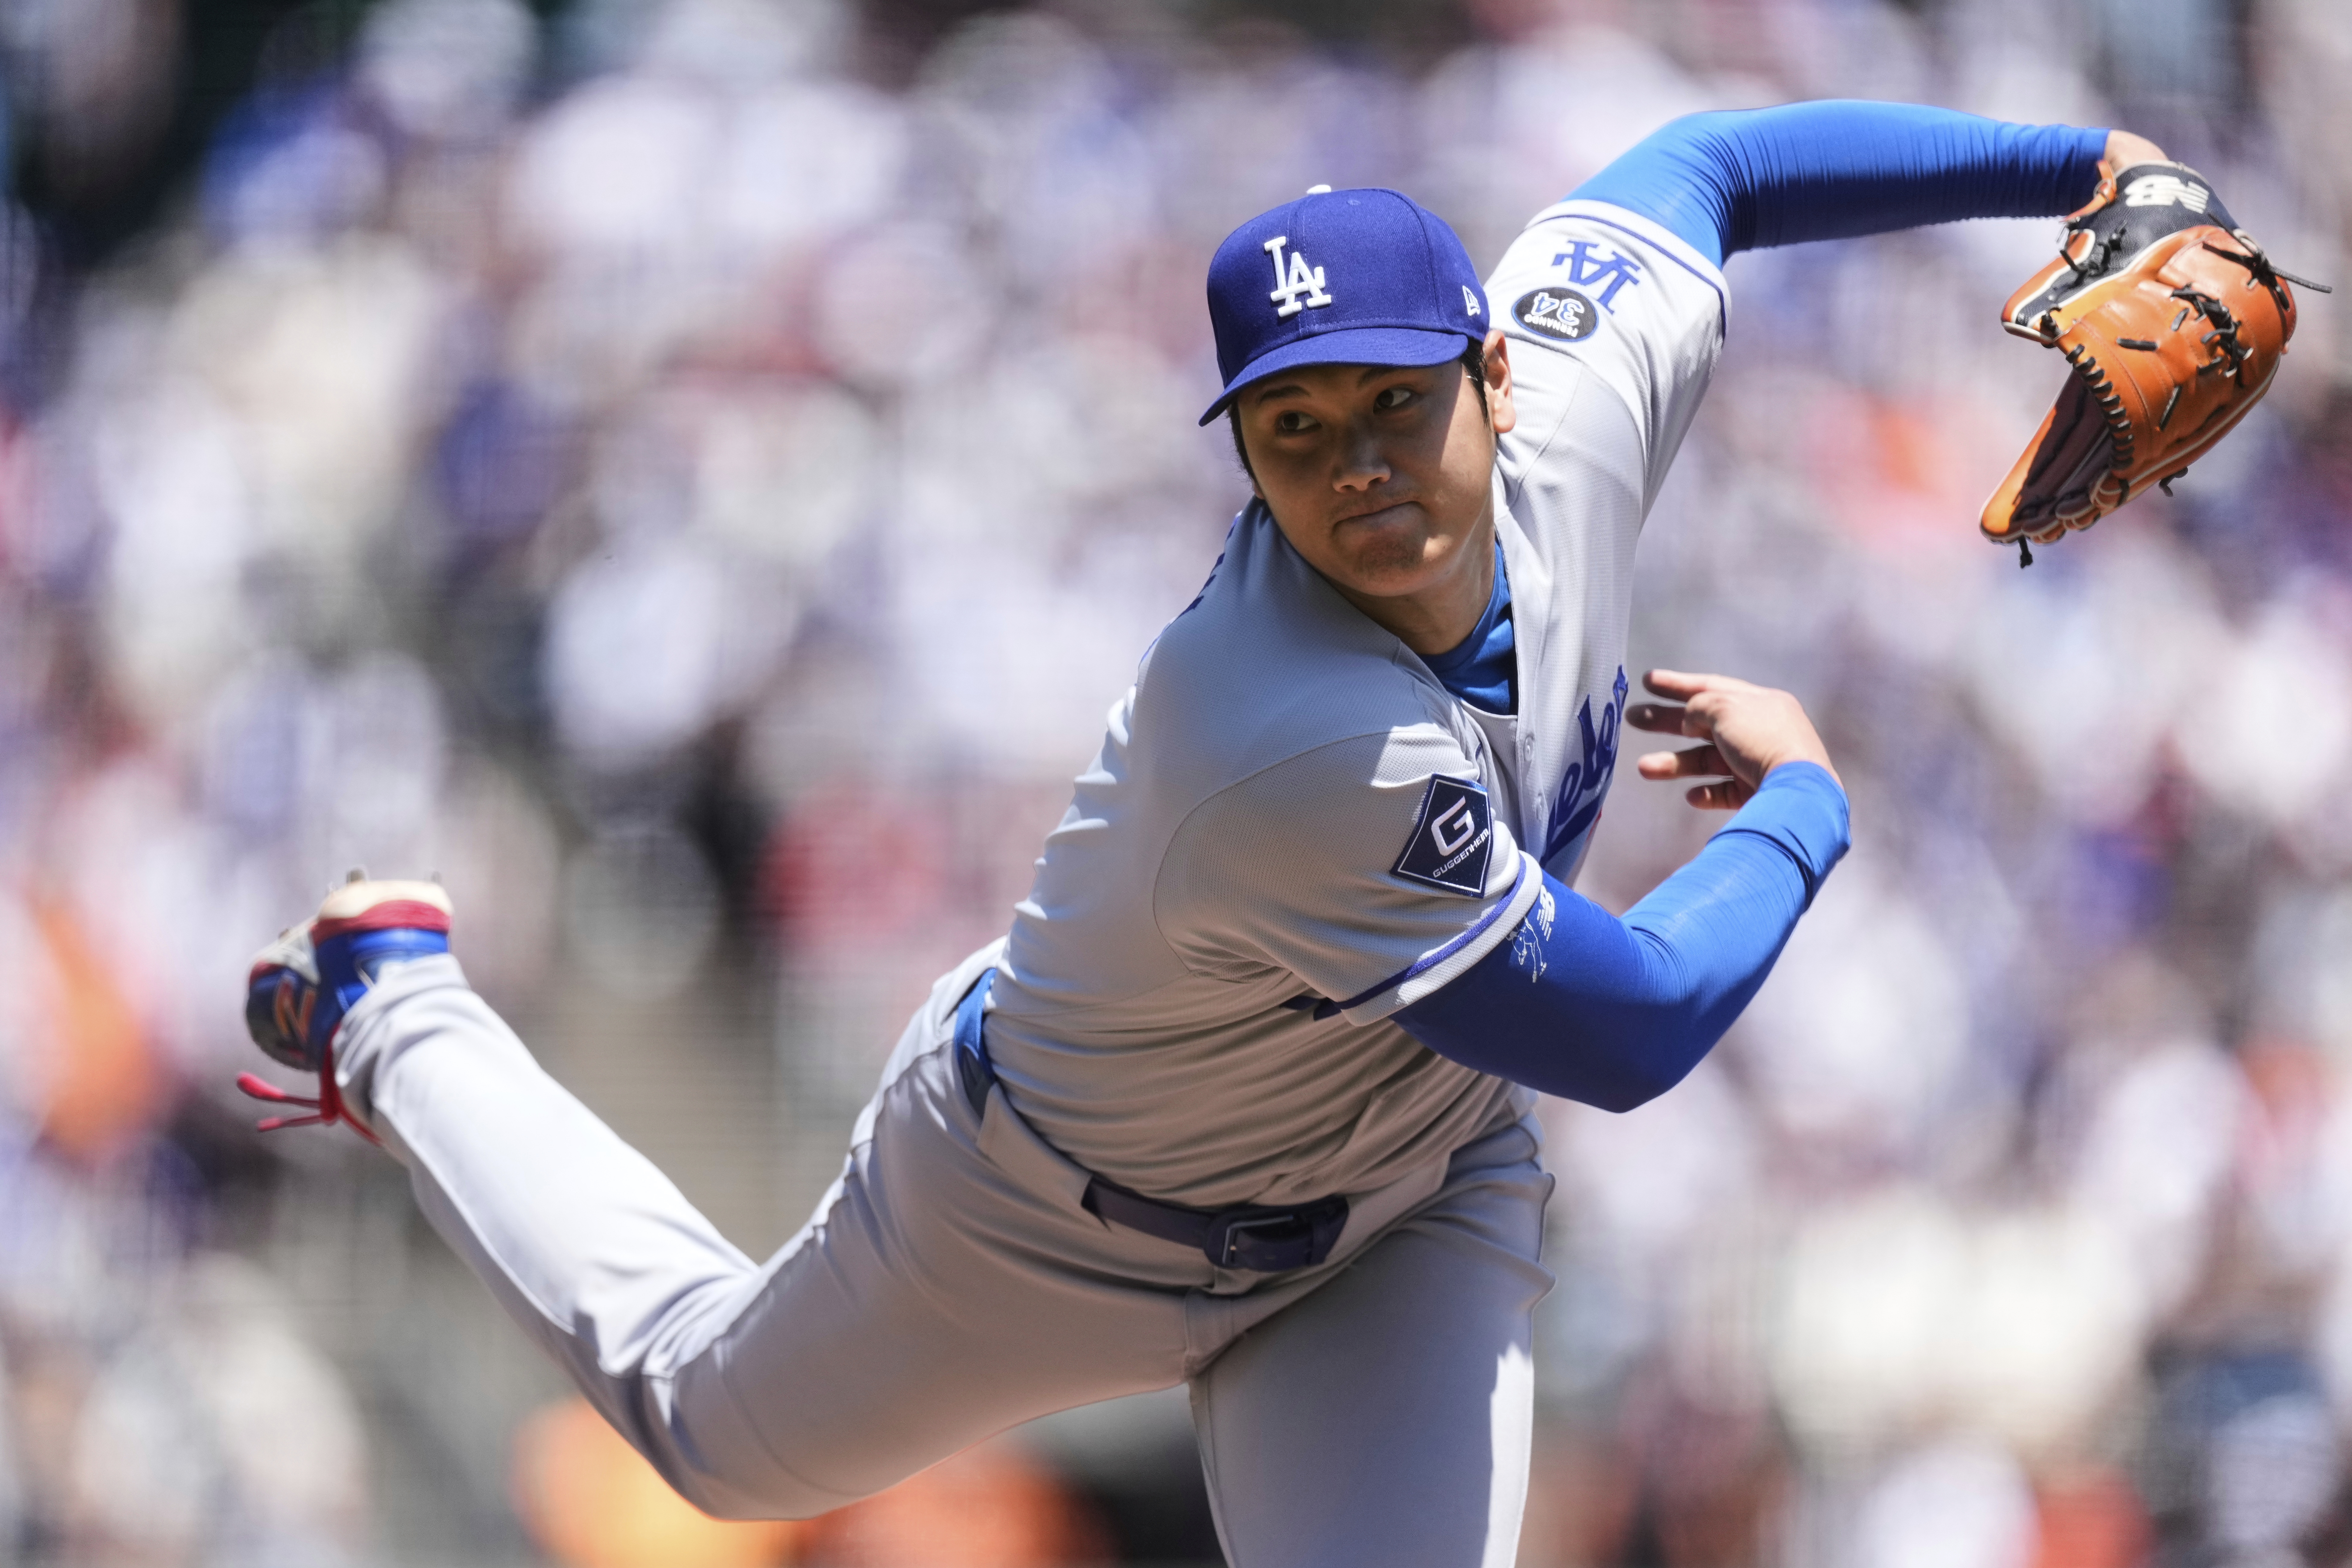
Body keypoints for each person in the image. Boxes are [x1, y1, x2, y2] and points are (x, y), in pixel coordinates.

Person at [242, 102, 2166, 1566]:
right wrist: (1812, 805)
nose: (1357, 469)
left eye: (1395, 407)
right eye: (1295, 432)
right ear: (1242, 456)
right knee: (710, 1434)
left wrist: (2082, 160)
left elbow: (1714, 163)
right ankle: (397, 1004)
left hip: (1399, 1205)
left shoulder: (1581, 400)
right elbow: (1633, 1028)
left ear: (1500, 374)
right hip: (1043, 1215)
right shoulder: (1285, 726)